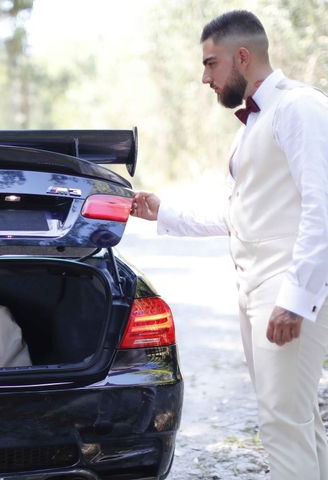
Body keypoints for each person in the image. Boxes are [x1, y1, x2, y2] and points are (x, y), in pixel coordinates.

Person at [131, 10, 328, 480]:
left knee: (282, 426)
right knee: (298, 423)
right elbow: (239, 214)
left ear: (243, 56)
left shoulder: (301, 107)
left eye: (211, 63)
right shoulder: (252, 127)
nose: (205, 77)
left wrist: (295, 299)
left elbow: (323, 208)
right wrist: (164, 211)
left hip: (285, 290)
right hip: (256, 291)